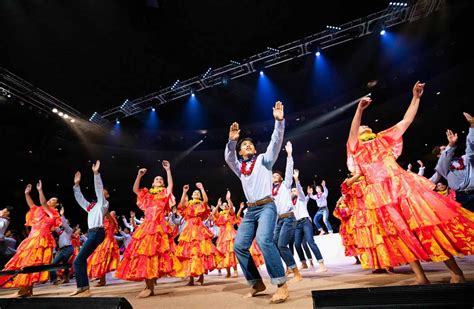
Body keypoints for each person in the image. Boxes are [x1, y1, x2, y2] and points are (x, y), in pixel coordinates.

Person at [347, 82, 474, 284]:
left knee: (428, 226)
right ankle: (420, 277)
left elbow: (406, 120)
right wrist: (359, 111)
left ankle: (456, 272)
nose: (363, 127)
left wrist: (416, 97)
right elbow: (353, 132)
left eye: (365, 125)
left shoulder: (383, 139)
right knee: (400, 235)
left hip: (403, 189)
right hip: (381, 197)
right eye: (361, 126)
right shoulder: (356, 148)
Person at [225, 101, 288, 303]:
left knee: (263, 240)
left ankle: (281, 285)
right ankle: (256, 283)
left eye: (249, 144)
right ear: (241, 152)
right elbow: (229, 158)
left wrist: (279, 122)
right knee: (239, 246)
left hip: (267, 206)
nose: (248, 145)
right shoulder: (240, 168)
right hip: (250, 212)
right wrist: (232, 142)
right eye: (244, 145)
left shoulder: (263, 160)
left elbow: (275, 143)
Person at [115, 162, 181, 298]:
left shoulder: (164, 194)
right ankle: (148, 286)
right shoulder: (147, 195)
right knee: (146, 254)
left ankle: (151, 282)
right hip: (147, 226)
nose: (159, 180)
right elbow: (135, 190)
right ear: (152, 183)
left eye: (161, 179)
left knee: (156, 255)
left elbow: (171, 186)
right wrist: (139, 176)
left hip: (159, 226)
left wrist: (168, 170)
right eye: (157, 179)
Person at [0, 182, 61, 297]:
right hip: (31, 239)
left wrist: (40, 191)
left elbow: (43, 202)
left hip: (40, 240)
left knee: (29, 263)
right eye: (50, 199)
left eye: (53, 200)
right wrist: (27, 194)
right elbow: (31, 204)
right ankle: (28, 289)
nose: (50, 201)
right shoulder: (38, 210)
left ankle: (24, 289)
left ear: (56, 205)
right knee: (27, 263)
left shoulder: (52, 214)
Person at [71, 160, 109, 297]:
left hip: (97, 232)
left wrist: (96, 174)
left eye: (104, 192)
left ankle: (84, 288)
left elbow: (99, 189)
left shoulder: (103, 204)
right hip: (93, 233)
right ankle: (82, 288)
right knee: (79, 260)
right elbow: (80, 199)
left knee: (78, 260)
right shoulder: (91, 207)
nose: (101, 192)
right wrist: (76, 185)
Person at [176, 183, 220, 286]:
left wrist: (202, 188)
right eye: (194, 192)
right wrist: (184, 192)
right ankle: (191, 279)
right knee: (189, 253)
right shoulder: (188, 205)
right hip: (189, 230)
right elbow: (181, 205)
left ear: (199, 196)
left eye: (198, 193)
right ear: (191, 196)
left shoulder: (201, 205)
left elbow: (206, 200)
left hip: (199, 229)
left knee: (201, 252)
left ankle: (201, 277)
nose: (196, 193)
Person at [272, 141, 302, 282]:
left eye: (276, 175)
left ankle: (297, 273)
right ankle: (289, 266)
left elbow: (289, 170)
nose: (273, 177)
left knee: (282, 245)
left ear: (281, 178)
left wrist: (289, 155)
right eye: (272, 176)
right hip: (279, 220)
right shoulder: (270, 192)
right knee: (275, 244)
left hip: (289, 217)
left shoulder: (286, 185)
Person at [430, 113, 474, 211]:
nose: (447, 149)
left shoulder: (465, 158)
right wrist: (451, 144)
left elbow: (471, 148)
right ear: (438, 155)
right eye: (444, 149)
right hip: (462, 198)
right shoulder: (441, 168)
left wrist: (472, 127)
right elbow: (444, 160)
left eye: (447, 148)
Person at [292, 169, 328, 273]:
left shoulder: (302, 199)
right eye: (292, 191)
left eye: (294, 191)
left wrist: (296, 179)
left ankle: (322, 265)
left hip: (305, 222)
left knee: (310, 242)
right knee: (297, 244)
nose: (293, 192)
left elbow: (299, 189)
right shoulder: (290, 203)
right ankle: (304, 263)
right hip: (297, 224)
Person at [87, 211, 120, 287]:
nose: (109, 214)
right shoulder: (105, 223)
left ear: (114, 215)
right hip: (104, 241)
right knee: (100, 261)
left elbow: (108, 216)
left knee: (102, 260)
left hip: (108, 242)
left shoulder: (112, 222)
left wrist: (104, 209)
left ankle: (102, 281)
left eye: (112, 213)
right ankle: (102, 280)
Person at [213, 192, 239, 278]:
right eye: (223, 205)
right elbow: (214, 214)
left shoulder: (230, 213)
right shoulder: (220, 215)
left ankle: (235, 271)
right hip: (222, 235)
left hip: (230, 234)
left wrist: (228, 199)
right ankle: (228, 272)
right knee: (224, 253)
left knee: (232, 252)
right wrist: (217, 205)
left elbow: (231, 207)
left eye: (226, 205)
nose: (225, 206)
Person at [50, 206, 74, 285]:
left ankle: (55, 280)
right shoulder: (61, 231)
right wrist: (52, 214)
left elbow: (64, 223)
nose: (63, 222)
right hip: (63, 249)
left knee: (54, 264)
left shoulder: (69, 230)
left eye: (66, 222)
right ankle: (65, 278)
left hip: (68, 248)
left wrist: (62, 215)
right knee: (64, 264)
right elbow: (55, 226)